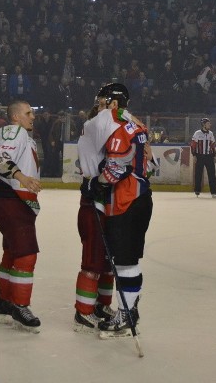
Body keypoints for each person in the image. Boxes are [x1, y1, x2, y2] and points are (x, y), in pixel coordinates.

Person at [91, 83, 154, 338]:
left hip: (127, 201)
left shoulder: (118, 130)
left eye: (104, 102)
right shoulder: (135, 125)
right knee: (130, 262)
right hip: (141, 199)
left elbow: (117, 169)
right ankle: (130, 311)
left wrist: (97, 184)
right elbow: (149, 162)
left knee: (125, 263)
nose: (100, 106)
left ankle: (126, 315)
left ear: (114, 104)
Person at [72, 84, 135, 333]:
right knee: (93, 260)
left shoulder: (109, 121)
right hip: (93, 201)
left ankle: (101, 306)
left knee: (108, 259)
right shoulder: (96, 124)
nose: (100, 106)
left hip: (109, 200)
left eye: (104, 102)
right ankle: (83, 312)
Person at [0, 100, 43, 333]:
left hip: (11, 200)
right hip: (11, 200)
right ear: (15, 117)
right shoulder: (14, 131)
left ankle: (4, 304)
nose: (33, 116)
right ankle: (20, 306)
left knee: (12, 253)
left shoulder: (20, 134)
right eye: (28, 113)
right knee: (26, 254)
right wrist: (22, 178)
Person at [190, 117, 216, 198]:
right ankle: (197, 190)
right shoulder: (197, 133)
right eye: (208, 123)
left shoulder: (211, 133)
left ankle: (214, 191)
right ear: (203, 124)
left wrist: (214, 156)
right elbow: (193, 145)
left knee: (212, 174)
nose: (210, 125)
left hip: (209, 156)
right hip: (199, 156)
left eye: (209, 123)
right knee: (198, 174)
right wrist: (194, 155)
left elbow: (213, 145)